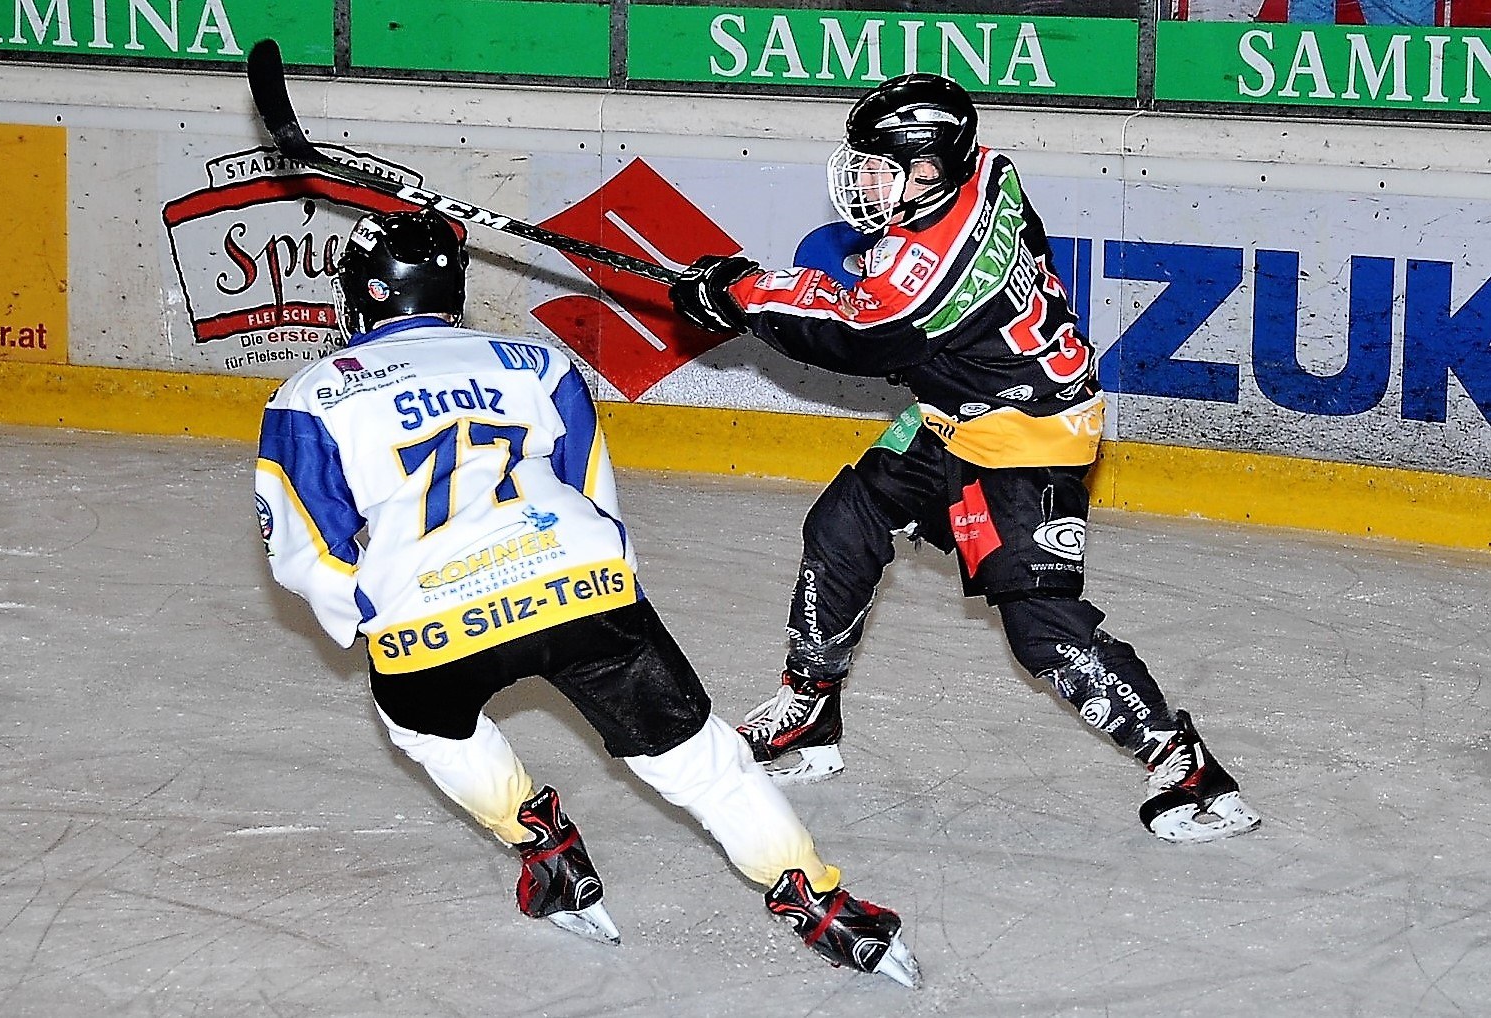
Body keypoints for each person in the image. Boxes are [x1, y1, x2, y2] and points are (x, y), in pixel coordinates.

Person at [254, 208, 921, 985]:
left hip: (432, 615)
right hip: (579, 585)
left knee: (425, 726)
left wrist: (376, 616)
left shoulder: (310, 394)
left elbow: (304, 549)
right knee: (704, 765)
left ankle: (545, 847)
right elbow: (592, 495)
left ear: (364, 294)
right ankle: (825, 907)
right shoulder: (536, 364)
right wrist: (606, 583)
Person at [668, 73, 1260, 844]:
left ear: (925, 168)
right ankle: (810, 712)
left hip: (1024, 441)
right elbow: (897, 304)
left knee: (1042, 630)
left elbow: (860, 334)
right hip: (958, 412)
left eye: (879, 166)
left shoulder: (934, 274)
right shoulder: (984, 171)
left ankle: (1187, 769)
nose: (863, 181)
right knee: (844, 524)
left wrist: (739, 295)